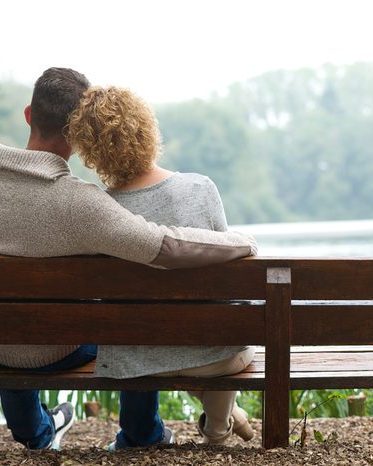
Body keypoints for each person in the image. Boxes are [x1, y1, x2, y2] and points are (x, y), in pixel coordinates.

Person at [0, 67, 257, 451]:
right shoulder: (80, 202)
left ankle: (38, 433)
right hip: (54, 349)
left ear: (29, 114)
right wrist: (239, 242)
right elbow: (163, 246)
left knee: (10, 316)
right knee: (127, 320)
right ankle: (144, 433)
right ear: (80, 135)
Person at [66, 85, 255, 447]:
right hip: (215, 357)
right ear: (147, 129)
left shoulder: (102, 211)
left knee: (171, 338)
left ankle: (224, 420)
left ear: (92, 152)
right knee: (223, 330)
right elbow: (227, 277)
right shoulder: (200, 188)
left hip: (137, 362)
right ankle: (218, 431)